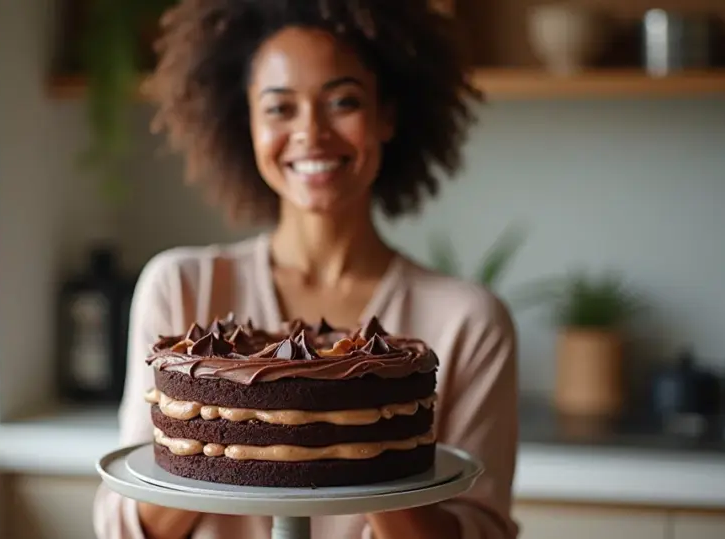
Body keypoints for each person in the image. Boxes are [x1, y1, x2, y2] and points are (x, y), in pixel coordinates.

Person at [93, 1, 519, 538]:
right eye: (279, 107)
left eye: (343, 101)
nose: (311, 132)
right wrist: (224, 436)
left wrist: (361, 438)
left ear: (386, 115)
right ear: (246, 122)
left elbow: (482, 530)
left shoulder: (469, 321)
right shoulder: (182, 288)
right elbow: (121, 526)